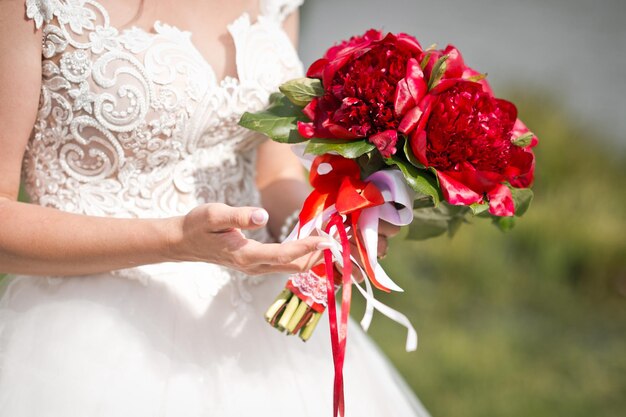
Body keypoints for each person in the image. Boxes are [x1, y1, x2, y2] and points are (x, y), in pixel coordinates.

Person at [0, 0, 431, 415]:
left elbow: (271, 171)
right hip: (91, 337)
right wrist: (176, 242)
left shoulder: (278, 3)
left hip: (261, 331)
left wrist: (329, 223)